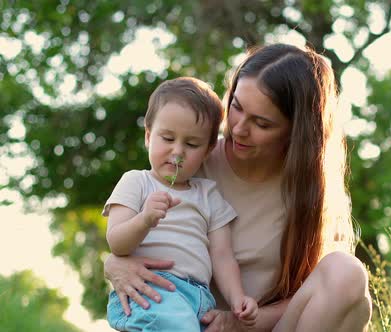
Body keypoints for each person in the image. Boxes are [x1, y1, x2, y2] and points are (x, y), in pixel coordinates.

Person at [104, 43, 372, 331]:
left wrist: (238, 322)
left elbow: (308, 299)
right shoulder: (190, 163)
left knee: (347, 274)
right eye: (236, 107)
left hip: (260, 325)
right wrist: (114, 263)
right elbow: (131, 232)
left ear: (295, 131)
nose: (239, 128)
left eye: (262, 123)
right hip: (187, 322)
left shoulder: (309, 193)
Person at [103, 77, 258, 331]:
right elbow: (116, 242)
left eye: (191, 144)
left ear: (208, 151)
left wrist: (237, 298)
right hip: (151, 290)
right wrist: (144, 220)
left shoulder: (208, 195)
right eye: (167, 138)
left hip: (199, 299)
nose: (177, 152)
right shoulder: (136, 182)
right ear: (148, 136)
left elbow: (222, 257)